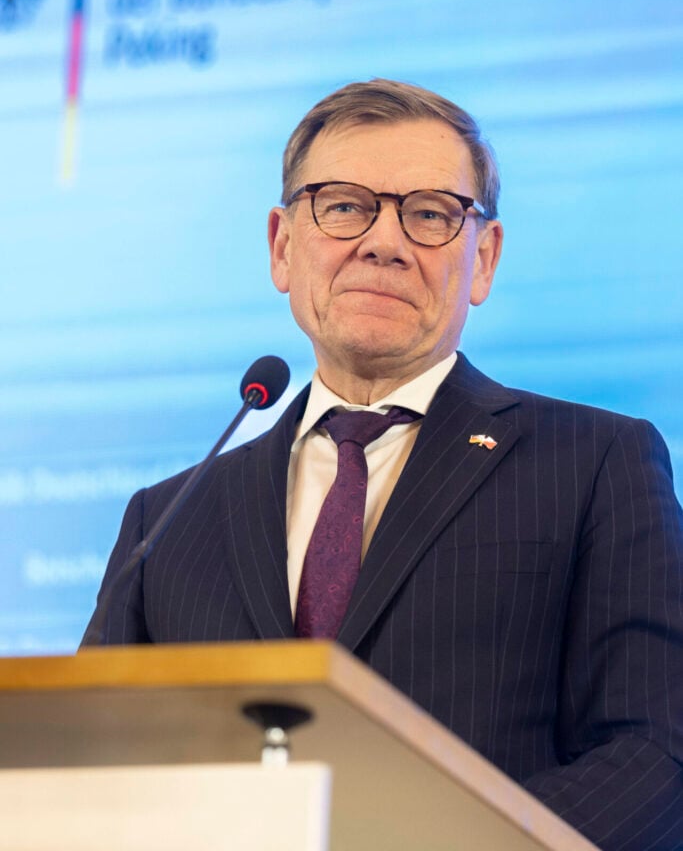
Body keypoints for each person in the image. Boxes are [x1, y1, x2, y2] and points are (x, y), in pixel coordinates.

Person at [86, 79, 683, 850]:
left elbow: (653, 751)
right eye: (342, 206)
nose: (383, 242)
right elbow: (93, 769)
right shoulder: (168, 519)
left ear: (483, 259)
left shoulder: (594, 463)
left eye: (429, 214)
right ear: (281, 246)